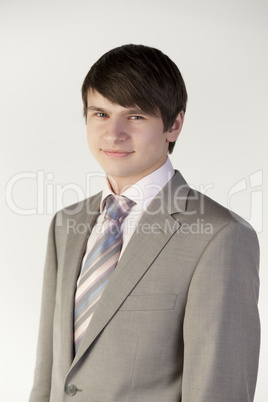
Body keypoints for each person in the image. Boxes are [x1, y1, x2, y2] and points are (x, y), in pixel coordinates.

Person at [29, 44, 260, 402]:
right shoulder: (66, 225)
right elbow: (49, 376)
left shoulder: (220, 235)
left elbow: (220, 389)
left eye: (135, 117)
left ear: (174, 124)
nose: (113, 134)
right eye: (100, 114)